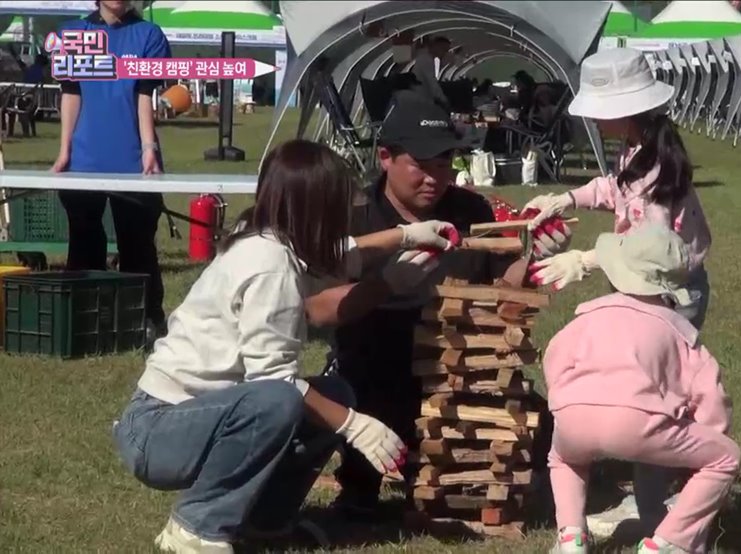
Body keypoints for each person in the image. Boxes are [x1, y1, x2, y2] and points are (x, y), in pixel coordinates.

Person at [111, 139, 466, 553]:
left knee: (332, 393)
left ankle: (265, 523)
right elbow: (274, 381)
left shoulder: (265, 238)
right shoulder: (270, 268)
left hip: (194, 417)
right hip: (160, 431)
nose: (347, 217)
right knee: (281, 401)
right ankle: (195, 526)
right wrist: (354, 424)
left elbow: (342, 253)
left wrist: (406, 236)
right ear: (317, 209)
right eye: (340, 208)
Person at [319, 90, 572, 517]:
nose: (435, 178)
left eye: (444, 163)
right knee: (373, 420)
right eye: (421, 164)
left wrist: (535, 257)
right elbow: (322, 305)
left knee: (538, 420)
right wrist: (385, 283)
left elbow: (501, 288)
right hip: (376, 360)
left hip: (457, 362)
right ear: (385, 157)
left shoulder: (470, 208)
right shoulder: (356, 215)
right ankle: (361, 486)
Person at [522, 47, 713, 536]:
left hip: (669, 292)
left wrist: (585, 260)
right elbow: (612, 190)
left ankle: (653, 516)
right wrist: (566, 197)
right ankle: (651, 502)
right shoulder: (639, 147)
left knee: (654, 398)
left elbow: (648, 245)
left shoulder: (655, 166)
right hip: (646, 286)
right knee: (646, 391)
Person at [543, 223, 740, 554]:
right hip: (641, 423)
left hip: (574, 415)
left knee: (563, 459)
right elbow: (711, 394)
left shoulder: (585, 318)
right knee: (725, 457)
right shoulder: (679, 332)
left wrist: (564, 401)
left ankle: (571, 538)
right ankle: (669, 542)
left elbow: (554, 358)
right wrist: (709, 434)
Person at [51, 0, 172, 339]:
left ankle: (146, 320)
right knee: (84, 241)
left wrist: (148, 149)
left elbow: (144, 95)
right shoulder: (74, 32)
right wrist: (65, 152)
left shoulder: (148, 34)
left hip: (133, 158)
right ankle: (84, 321)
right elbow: (70, 93)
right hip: (84, 158)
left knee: (138, 244)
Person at [411, 35, 452, 108]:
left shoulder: (425, 58)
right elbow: (432, 82)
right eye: (443, 49)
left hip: (421, 98)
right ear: (435, 46)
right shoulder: (426, 60)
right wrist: (443, 100)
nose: (444, 53)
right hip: (421, 99)